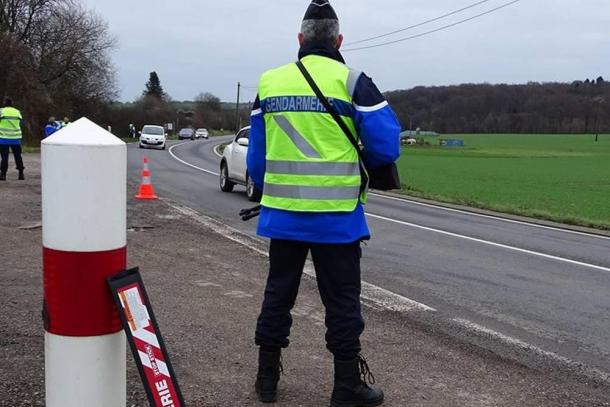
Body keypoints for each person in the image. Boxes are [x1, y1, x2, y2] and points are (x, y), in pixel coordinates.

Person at [247, 1, 400, 405]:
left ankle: (266, 381)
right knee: (342, 301)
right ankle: (346, 387)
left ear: (300, 40)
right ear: (338, 40)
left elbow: (257, 161)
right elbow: (386, 146)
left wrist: (274, 190)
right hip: (337, 221)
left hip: (283, 218)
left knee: (278, 295)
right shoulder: (352, 82)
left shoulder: (270, 83)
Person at [0, 97, 25, 181]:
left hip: (3, 138)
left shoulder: (1, 111)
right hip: (16, 138)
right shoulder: (17, 112)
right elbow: (21, 123)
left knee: (4, 157)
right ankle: (21, 174)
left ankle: (3, 175)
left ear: (4, 103)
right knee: (18, 156)